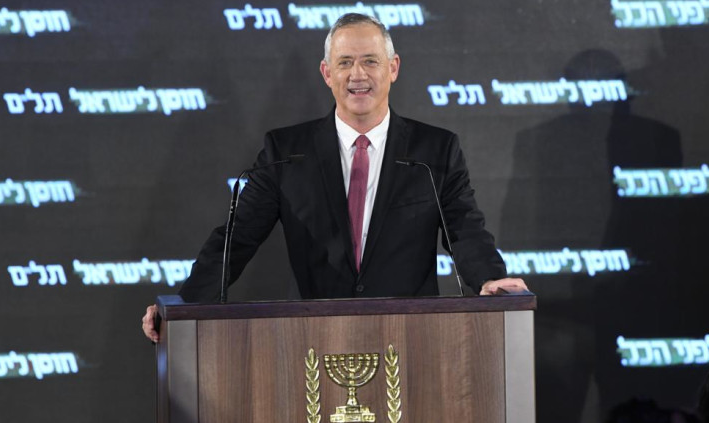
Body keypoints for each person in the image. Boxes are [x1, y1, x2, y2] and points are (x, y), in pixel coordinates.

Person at [143, 13, 527, 342]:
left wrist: (490, 279)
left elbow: (464, 229)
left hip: (411, 337)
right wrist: (183, 306)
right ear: (327, 73)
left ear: (393, 68)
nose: (358, 75)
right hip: (315, 337)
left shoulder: (434, 150)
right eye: (345, 62)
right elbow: (235, 239)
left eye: (370, 61)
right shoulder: (285, 153)